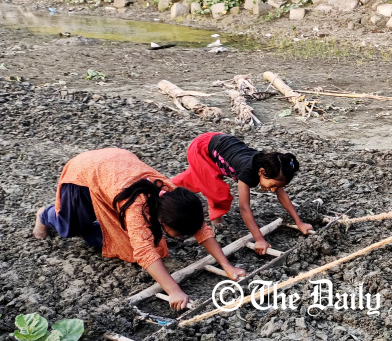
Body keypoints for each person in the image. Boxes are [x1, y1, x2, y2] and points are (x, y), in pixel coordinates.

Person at [33, 148, 247, 311]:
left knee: (124, 235)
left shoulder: (173, 196)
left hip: (116, 166)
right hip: (85, 172)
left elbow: (201, 228)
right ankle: (45, 215)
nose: (183, 238)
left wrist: (227, 266)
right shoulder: (137, 207)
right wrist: (174, 290)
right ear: (163, 221)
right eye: (180, 234)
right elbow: (144, 252)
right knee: (71, 227)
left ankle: (98, 225)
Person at [172, 133, 313, 256]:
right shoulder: (247, 172)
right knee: (218, 191)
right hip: (202, 148)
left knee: (198, 178)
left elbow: (282, 195)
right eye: (272, 185)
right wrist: (259, 239)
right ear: (262, 172)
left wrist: (299, 222)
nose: (272, 189)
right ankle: (216, 218)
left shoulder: (269, 167)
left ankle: (166, 185)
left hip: (219, 144)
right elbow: (244, 208)